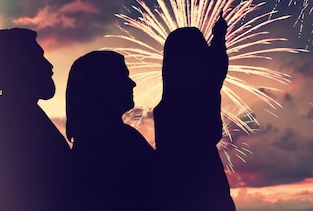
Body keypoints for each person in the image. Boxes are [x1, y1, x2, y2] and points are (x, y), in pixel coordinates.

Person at [0, 28, 71, 211]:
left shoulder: (17, 116)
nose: (50, 66)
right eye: (38, 58)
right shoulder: (16, 124)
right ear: (20, 67)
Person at [154, 13, 236, 211]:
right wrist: (219, 35)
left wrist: (218, 36)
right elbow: (216, 67)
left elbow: (215, 66)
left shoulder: (165, 109)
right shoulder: (204, 91)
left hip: (177, 188)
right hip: (205, 180)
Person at [66, 50, 156, 211]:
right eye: (123, 76)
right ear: (103, 84)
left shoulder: (91, 143)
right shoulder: (120, 141)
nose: (132, 83)